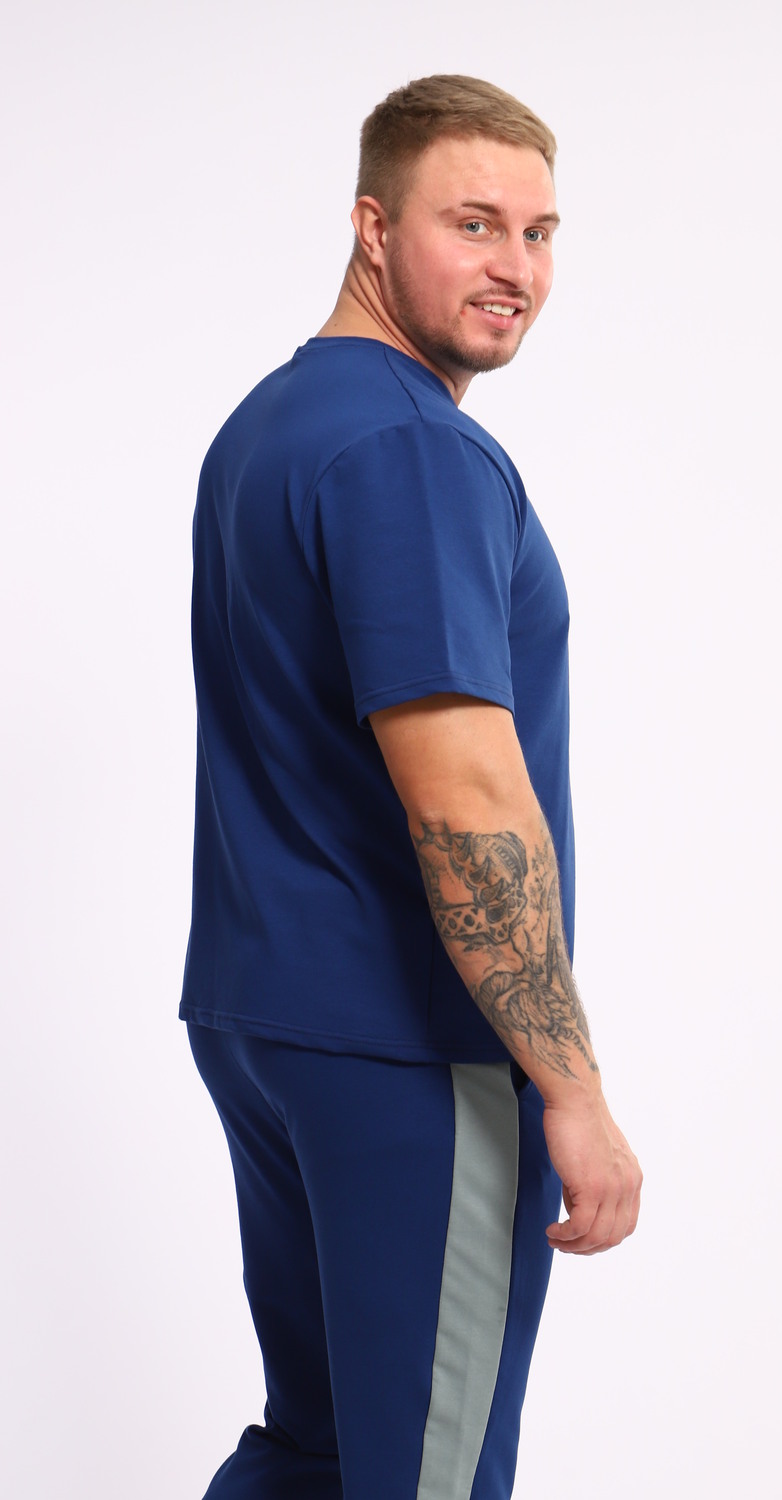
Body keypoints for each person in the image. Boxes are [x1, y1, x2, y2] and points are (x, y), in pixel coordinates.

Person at [180, 73, 642, 1500]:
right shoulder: (412, 450)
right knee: (425, 1477)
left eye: (540, 233)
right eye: (474, 223)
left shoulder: (270, 426)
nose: (517, 269)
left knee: (319, 1453)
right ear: (374, 230)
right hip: (408, 1048)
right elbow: (466, 802)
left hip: (268, 1018)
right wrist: (572, 1088)